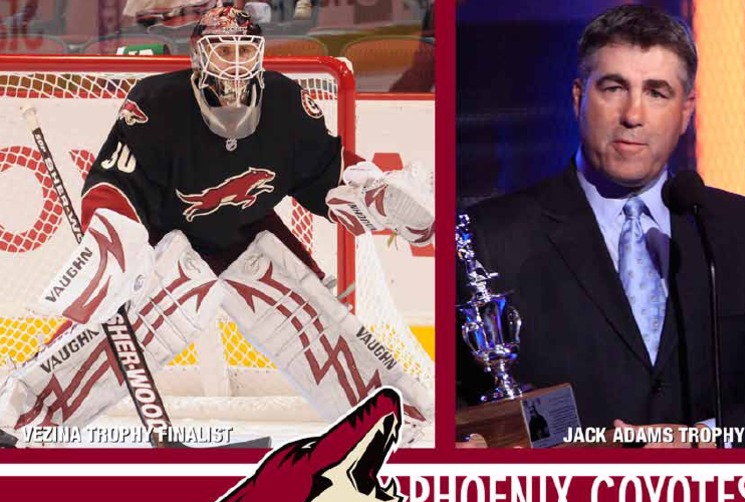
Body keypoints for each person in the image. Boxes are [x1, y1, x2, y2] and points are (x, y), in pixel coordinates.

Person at [0, 1, 433, 444]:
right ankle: (22, 414)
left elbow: (326, 170)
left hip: (246, 237)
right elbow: (116, 182)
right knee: (121, 331)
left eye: (245, 51)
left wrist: (371, 195)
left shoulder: (286, 102)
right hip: (165, 244)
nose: (236, 62)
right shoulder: (156, 105)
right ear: (198, 53)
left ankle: (400, 421)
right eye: (224, 50)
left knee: (320, 323)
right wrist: (115, 240)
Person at [458, 4, 745, 448]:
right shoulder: (490, 239)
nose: (633, 115)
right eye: (614, 88)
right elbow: (450, 403)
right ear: (579, 97)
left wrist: (707, 441)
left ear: (687, 110)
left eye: (657, 92)